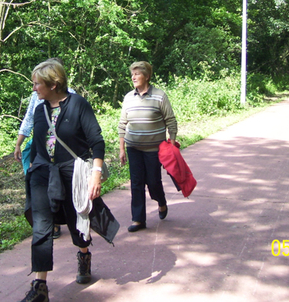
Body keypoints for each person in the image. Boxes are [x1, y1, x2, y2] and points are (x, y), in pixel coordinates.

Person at [20, 59, 118, 302]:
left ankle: (83, 255)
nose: (34, 89)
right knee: (42, 227)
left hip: (73, 173)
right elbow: (38, 142)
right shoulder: (39, 108)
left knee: (77, 220)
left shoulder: (78, 105)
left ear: (53, 84)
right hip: (43, 174)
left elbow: (96, 141)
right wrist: (32, 167)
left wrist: (96, 174)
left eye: (37, 84)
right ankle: (40, 286)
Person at [14, 58, 76, 239]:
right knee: (42, 186)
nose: (35, 87)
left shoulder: (72, 97)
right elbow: (29, 120)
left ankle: (72, 228)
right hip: (39, 149)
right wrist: (19, 143)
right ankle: (52, 223)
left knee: (62, 189)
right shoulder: (37, 96)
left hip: (63, 155)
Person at [118, 61, 178, 232]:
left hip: (154, 150)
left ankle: (161, 201)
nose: (133, 77)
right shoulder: (129, 97)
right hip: (133, 148)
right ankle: (138, 219)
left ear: (147, 76)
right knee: (136, 183)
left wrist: (172, 144)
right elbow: (122, 124)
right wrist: (122, 149)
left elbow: (171, 121)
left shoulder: (160, 96)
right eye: (132, 74)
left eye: (137, 74)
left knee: (153, 182)